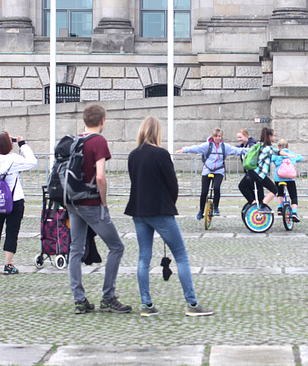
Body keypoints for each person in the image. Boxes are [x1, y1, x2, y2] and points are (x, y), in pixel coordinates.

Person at [125, 116, 214, 317]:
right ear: (157, 132)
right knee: (180, 255)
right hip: (160, 210)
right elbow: (172, 184)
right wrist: (170, 203)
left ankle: (146, 304)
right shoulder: (161, 154)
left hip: (138, 210)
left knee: (143, 257)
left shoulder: (132, 155)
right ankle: (192, 303)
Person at [66, 104, 131, 315]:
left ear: (85, 121)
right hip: (91, 203)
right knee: (116, 247)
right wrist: (104, 202)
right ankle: (108, 296)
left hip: (72, 202)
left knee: (76, 249)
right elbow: (100, 176)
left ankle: (79, 299)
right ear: (102, 121)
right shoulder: (99, 142)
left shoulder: (75, 140)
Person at [0, 132, 37, 275]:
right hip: (14, 200)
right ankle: (8, 265)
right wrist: (22, 144)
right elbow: (32, 161)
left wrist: (1, 142)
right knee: (11, 232)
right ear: (9, 145)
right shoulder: (14, 160)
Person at [176, 128, 247, 219]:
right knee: (204, 191)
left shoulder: (225, 147)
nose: (217, 138)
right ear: (212, 136)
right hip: (207, 170)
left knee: (216, 187)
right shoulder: (207, 146)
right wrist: (184, 149)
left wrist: (252, 150)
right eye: (215, 136)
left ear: (221, 137)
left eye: (219, 136)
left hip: (219, 170)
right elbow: (197, 148)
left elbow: (238, 150)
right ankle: (201, 210)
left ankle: (216, 207)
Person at [238, 127, 295, 213]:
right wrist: (288, 155)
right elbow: (278, 152)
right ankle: (262, 206)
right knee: (274, 189)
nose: (275, 138)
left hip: (251, 172)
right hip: (259, 174)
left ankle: (253, 203)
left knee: (242, 186)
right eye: (274, 136)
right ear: (269, 136)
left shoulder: (258, 145)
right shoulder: (268, 148)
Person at [272, 139, 303, 222]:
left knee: (280, 193)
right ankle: (294, 213)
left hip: (278, 178)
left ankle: (279, 208)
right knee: (293, 196)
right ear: (288, 146)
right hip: (290, 178)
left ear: (278, 147)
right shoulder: (291, 154)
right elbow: (300, 158)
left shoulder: (276, 155)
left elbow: (271, 158)